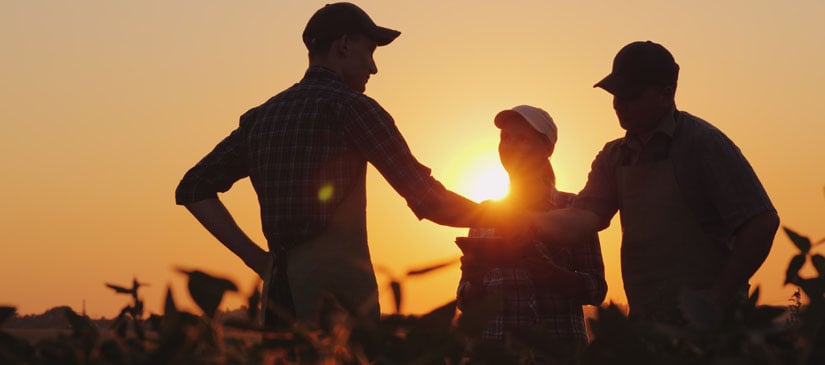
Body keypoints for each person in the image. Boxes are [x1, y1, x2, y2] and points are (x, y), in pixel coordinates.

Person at [175, 2, 505, 330]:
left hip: (277, 301)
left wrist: (259, 261)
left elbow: (193, 188)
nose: (373, 68)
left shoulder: (262, 118)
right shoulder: (352, 108)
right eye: (370, 51)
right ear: (344, 45)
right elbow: (429, 201)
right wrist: (509, 220)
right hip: (339, 310)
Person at [521, 41, 779, 327]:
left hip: (714, 331)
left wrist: (717, 298)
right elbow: (583, 217)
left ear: (666, 93)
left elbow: (762, 223)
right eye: (615, 94)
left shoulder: (703, 144)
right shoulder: (614, 156)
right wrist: (524, 221)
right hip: (648, 328)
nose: (619, 103)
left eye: (630, 94)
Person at [456, 106, 607, 363]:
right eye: (505, 138)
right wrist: (475, 278)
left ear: (547, 149)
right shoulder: (484, 215)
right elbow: (464, 300)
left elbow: (596, 290)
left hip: (559, 353)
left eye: (522, 138)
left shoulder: (574, 209)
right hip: (496, 353)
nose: (511, 146)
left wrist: (551, 273)